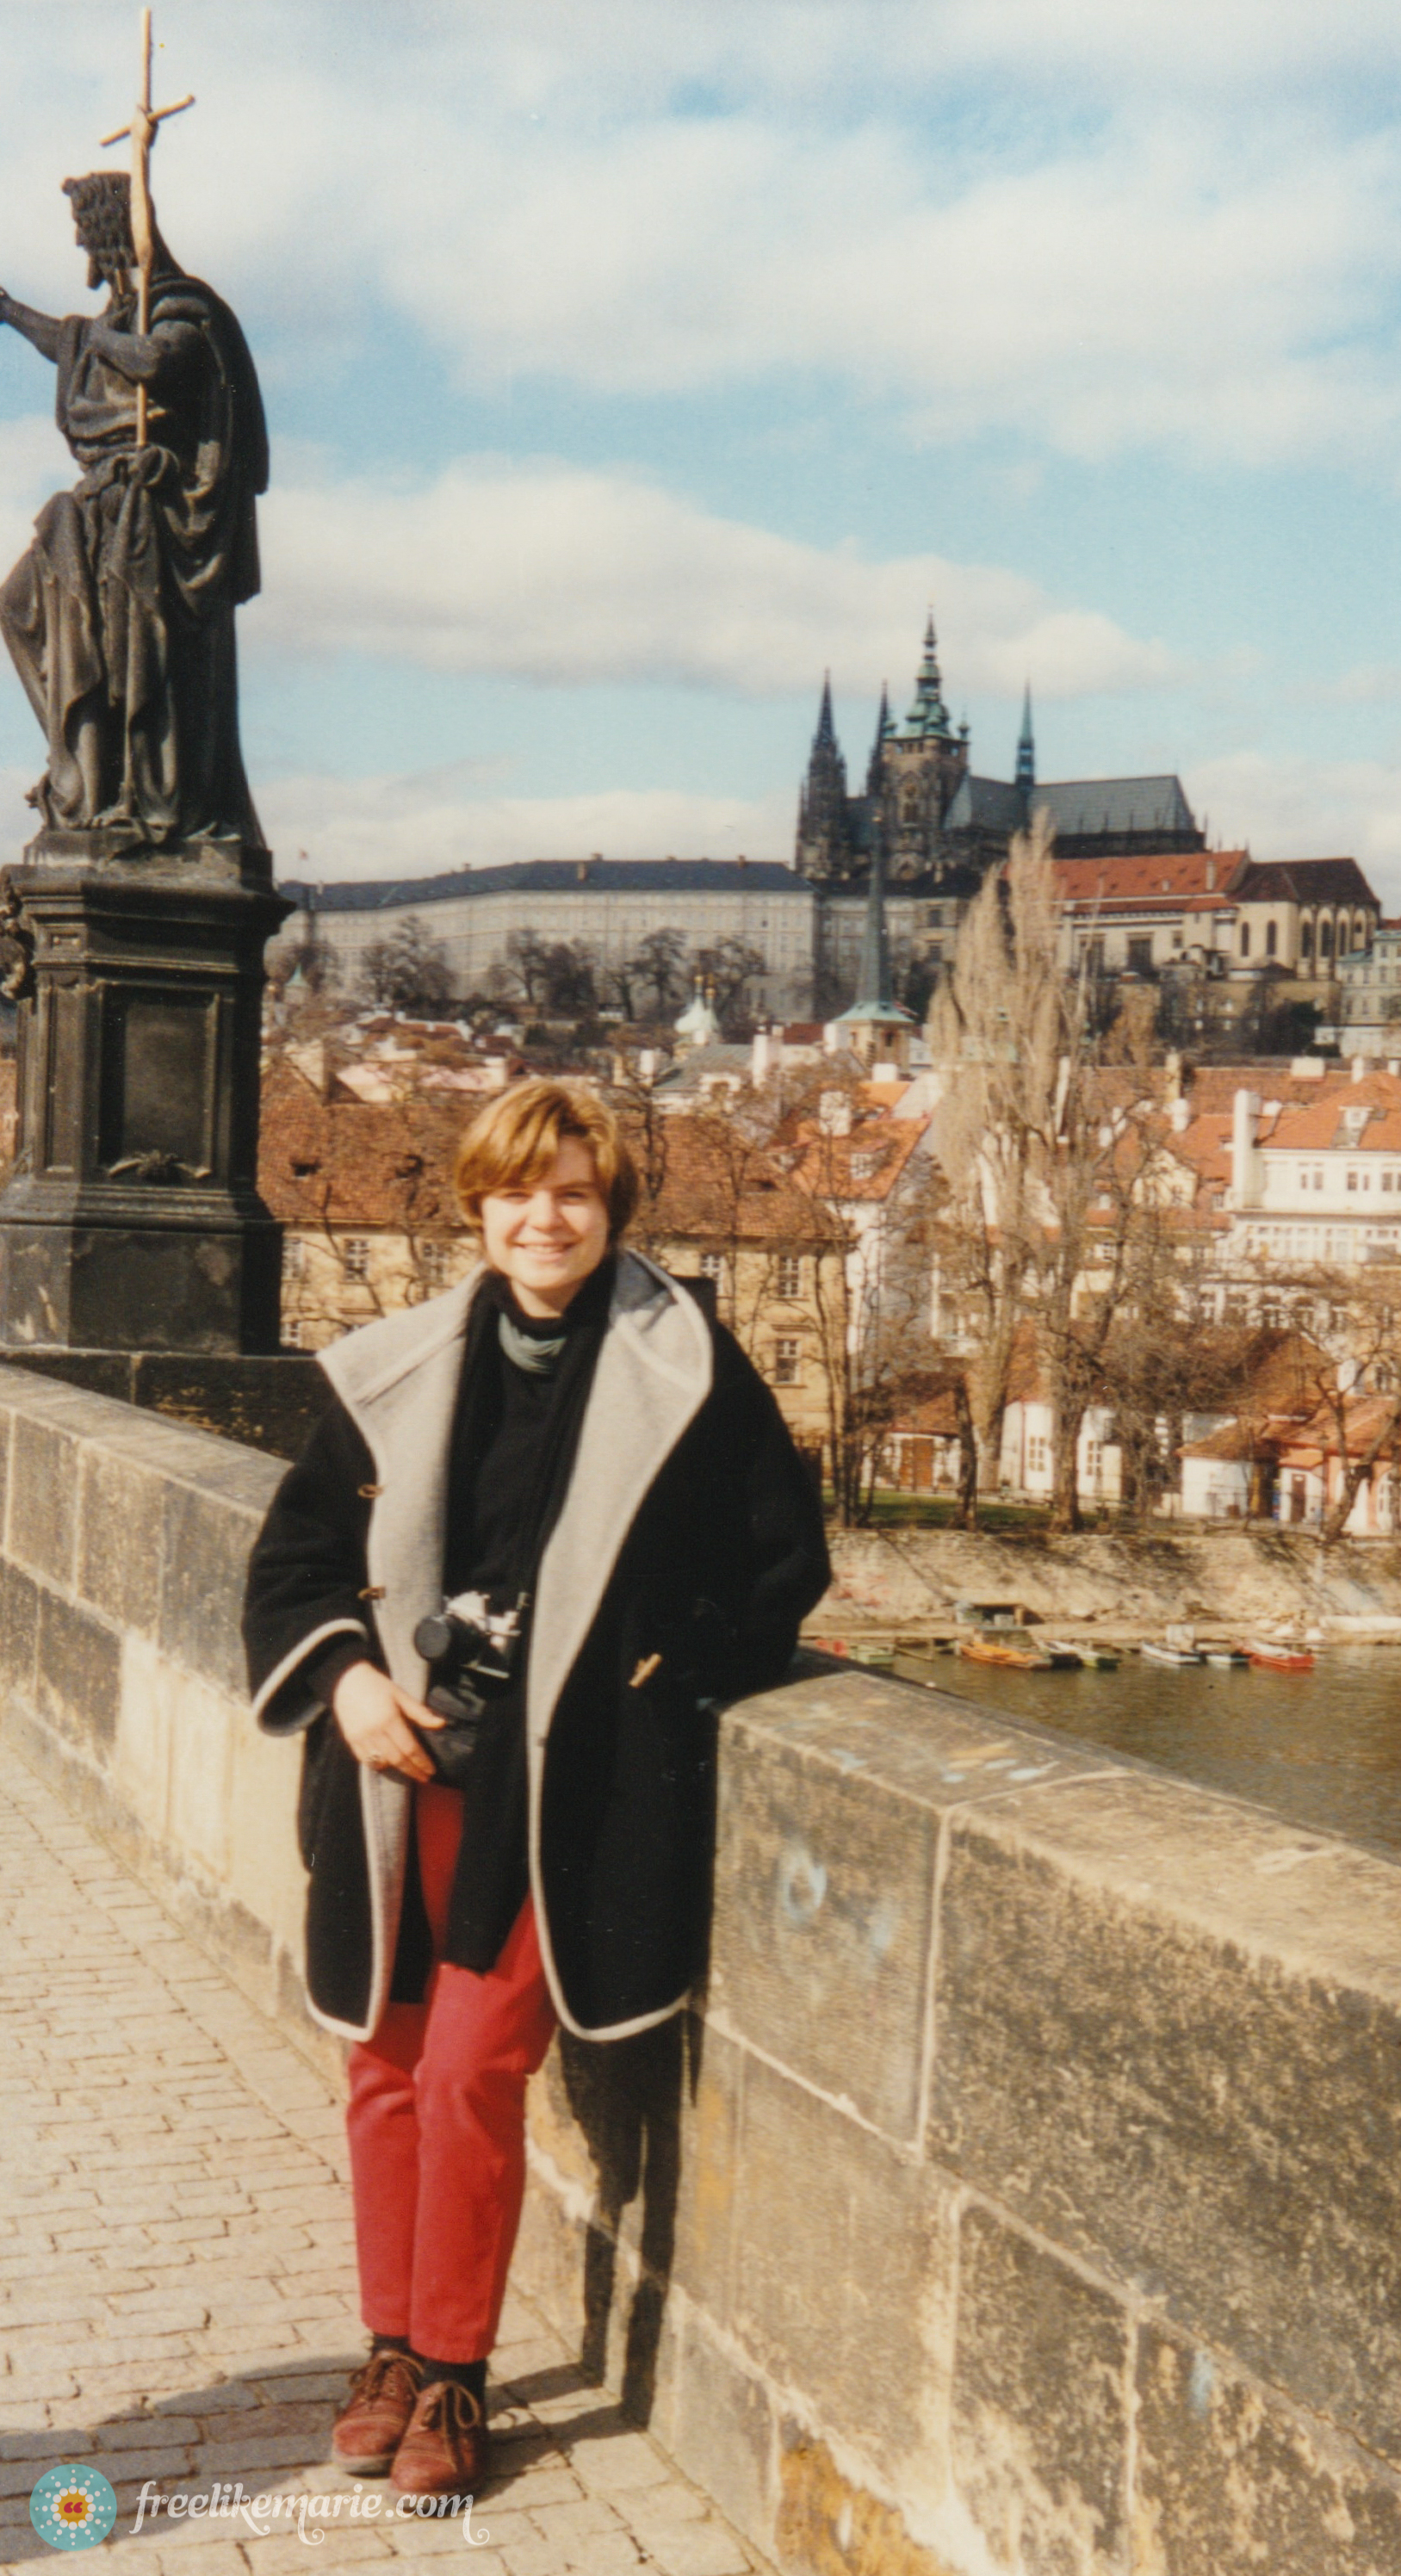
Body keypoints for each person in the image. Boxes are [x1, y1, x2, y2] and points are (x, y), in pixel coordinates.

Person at [242, 1079, 830, 2499]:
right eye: (516, 1191)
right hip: (395, 1773)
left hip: (560, 1793)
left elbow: (777, 1565)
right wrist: (350, 1683)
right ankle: (385, 2346)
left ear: (609, 1204)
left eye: (571, 1191)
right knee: (381, 2065)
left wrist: (641, 1672)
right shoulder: (393, 1363)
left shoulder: (685, 1367)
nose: (541, 1217)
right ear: (478, 1205)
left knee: (466, 2074)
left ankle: (451, 2373)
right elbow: (295, 1566)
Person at [0, 170, 268, 845]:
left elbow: (155, 363)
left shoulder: (183, 304)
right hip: (97, 508)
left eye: (89, 237)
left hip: (158, 517)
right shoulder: (117, 318)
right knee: (19, 602)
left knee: (135, 651)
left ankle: (147, 795)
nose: (85, 253)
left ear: (116, 238)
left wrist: (91, 338)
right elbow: (68, 342)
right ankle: (83, 774)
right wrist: (7, 309)